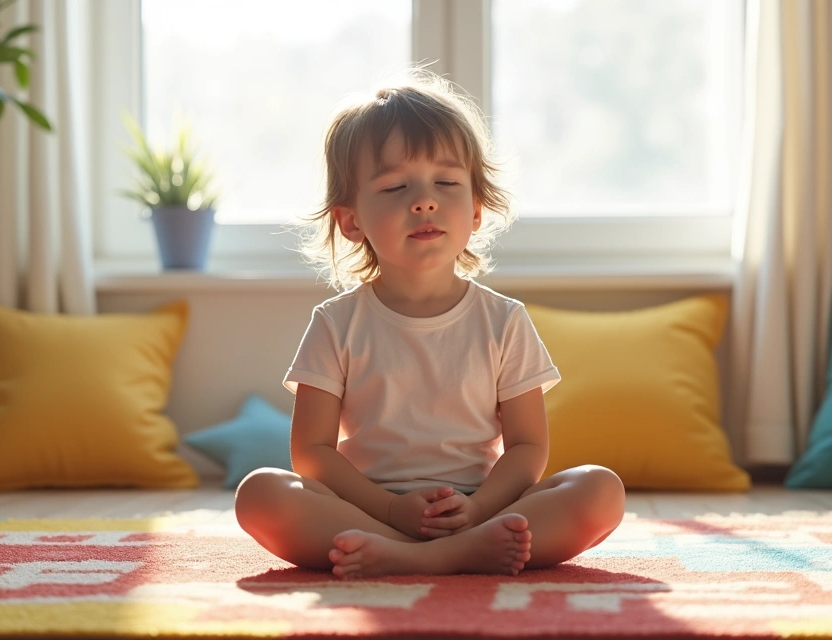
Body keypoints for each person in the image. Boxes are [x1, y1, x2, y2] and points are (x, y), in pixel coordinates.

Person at [234, 69, 626, 579]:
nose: (424, 200)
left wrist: (478, 510)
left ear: (476, 210)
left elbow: (528, 448)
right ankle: (443, 554)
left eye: (446, 182)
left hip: (481, 509)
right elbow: (311, 452)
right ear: (351, 221)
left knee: (600, 488)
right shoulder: (335, 322)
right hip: (367, 510)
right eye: (395, 186)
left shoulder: (505, 320)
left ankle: (408, 556)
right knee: (260, 494)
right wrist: (391, 510)